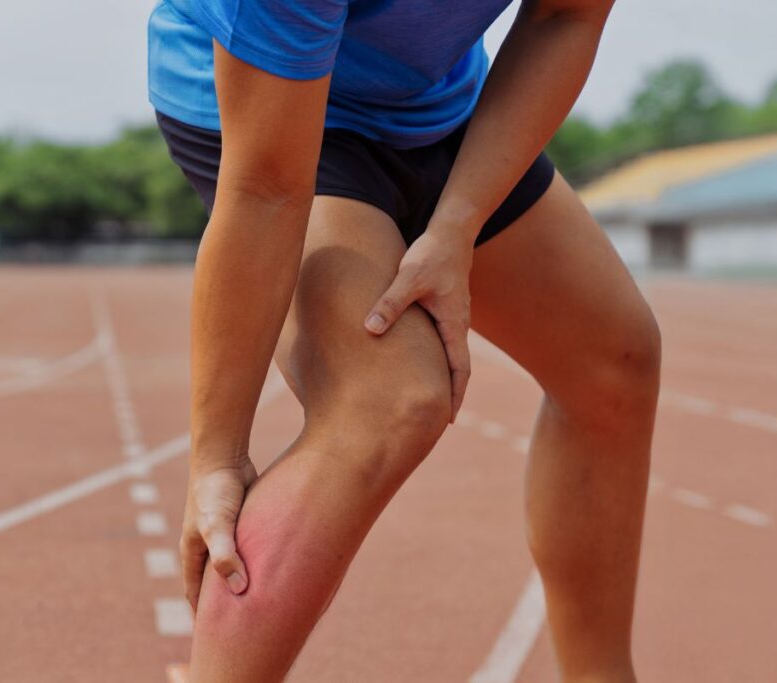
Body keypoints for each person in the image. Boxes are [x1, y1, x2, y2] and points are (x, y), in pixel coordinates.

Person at [146, 0, 660, 680]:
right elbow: (267, 188)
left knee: (614, 359)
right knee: (385, 397)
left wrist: (457, 226)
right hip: (274, 111)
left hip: (437, 108)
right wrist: (217, 454)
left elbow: (563, 16)